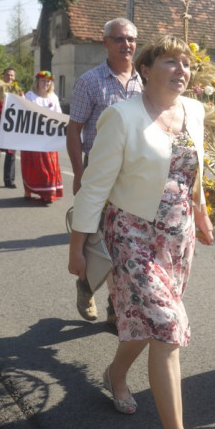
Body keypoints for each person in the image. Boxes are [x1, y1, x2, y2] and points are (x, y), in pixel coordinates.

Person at [68, 36, 214, 429]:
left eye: (186, 62)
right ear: (146, 69)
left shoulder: (194, 111)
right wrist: (77, 249)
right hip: (130, 234)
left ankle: (115, 374)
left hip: (178, 237)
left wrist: (204, 215)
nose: (181, 69)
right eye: (171, 60)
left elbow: (194, 174)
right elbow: (94, 186)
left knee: (146, 323)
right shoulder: (121, 116)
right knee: (168, 327)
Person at [66, 17, 142, 322]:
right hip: (98, 172)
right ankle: (85, 285)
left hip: (135, 174)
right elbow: (74, 131)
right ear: (106, 43)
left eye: (131, 40)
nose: (126, 45)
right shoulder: (90, 81)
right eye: (119, 39)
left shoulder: (146, 82)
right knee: (94, 235)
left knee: (126, 240)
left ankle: (115, 309)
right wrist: (79, 175)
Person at [21, 71, 63, 204]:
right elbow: (24, 113)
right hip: (33, 137)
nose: (46, 83)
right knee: (33, 165)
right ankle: (29, 190)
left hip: (48, 137)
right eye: (43, 81)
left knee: (49, 165)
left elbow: (58, 115)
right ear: (37, 82)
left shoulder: (53, 97)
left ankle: (48, 193)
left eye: (48, 81)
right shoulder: (30, 96)